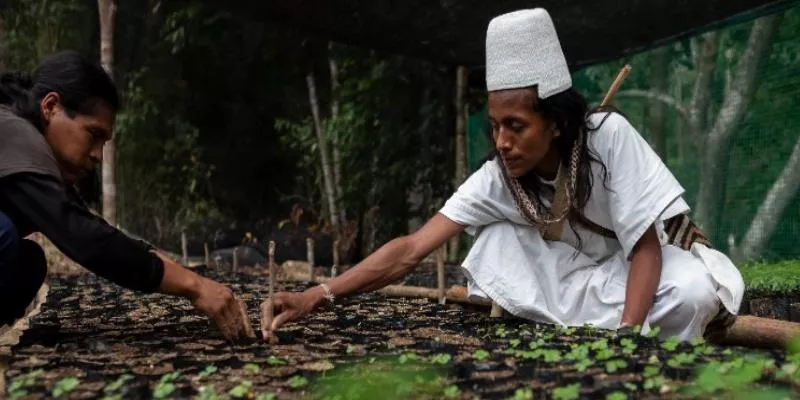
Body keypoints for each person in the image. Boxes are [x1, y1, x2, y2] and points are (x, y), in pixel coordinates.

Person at [260, 8, 745, 341]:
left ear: (555, 123)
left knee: (692, 291)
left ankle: (612, 329)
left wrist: (627, 337)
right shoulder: (499, 178)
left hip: (633, 276)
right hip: (568, 285)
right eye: (494, 126)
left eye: (516, 125)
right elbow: (409, 250)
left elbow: (643, 246)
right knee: (495, 241)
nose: (501, 141)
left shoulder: (607, 135)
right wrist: (317, 294)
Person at [0, 50, 254, 341]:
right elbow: (84, 238)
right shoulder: (15, 133)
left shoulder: (30, 151)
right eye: (93, 135)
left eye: (104, 142)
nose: (98, 155)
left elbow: (95, 229)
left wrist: (187, 275)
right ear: (51, 107)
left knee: (28, 263)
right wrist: (194, 287)